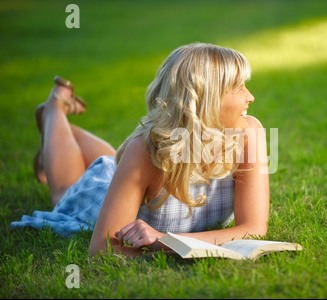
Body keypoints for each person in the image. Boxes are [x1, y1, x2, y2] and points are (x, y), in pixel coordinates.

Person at [28, 43, 270, 257]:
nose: (251, 97)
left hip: (126, 173)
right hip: (101, 192)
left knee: (110, 162)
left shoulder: (249, 134)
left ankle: (59, 123)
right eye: (238, 88)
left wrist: (164, 241)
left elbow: (254, 229)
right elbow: (103, 250)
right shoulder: (143, 151)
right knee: (63, 193)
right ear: (205, 99)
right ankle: (54, 109)